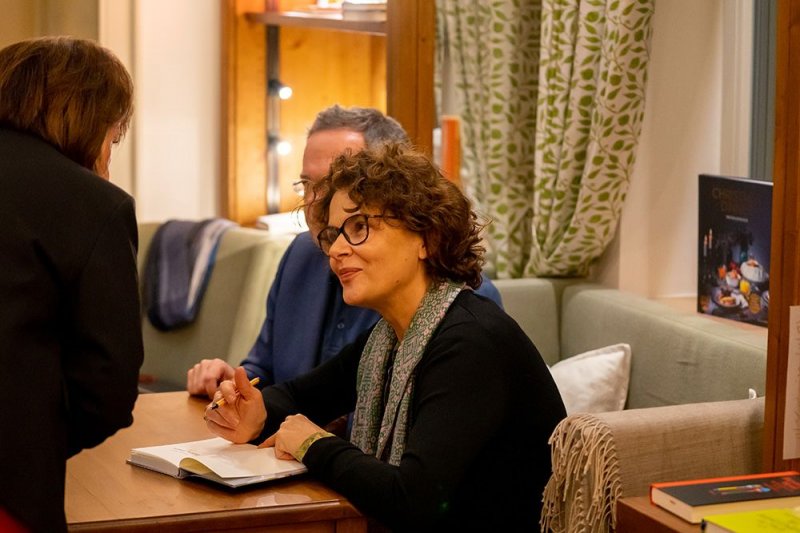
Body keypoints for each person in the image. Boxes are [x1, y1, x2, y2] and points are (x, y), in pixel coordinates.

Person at [204, 144, 566, 532]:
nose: (338, 250)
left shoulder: (469, 343)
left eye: (359, 228)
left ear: (426, 236)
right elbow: (300, 395)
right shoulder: (390, 337)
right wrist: (257, 413)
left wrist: (313, 443)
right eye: (333, 234)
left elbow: (413, 499)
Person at [187, 105, 503, 397]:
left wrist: (308, 439)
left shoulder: (462, 304)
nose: (314, 202)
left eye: (335, 182)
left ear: (393, 182)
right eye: (306, 184)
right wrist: (233, 383)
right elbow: (267, 372)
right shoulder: (301, 255)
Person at [0, 37, 143, 532]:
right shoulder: (90, 206)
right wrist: (35, 441)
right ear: (92, 119)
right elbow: (107, 386)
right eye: (114, 136)